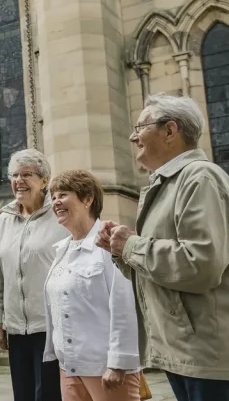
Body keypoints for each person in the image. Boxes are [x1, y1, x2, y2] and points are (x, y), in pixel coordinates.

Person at [98, 93, 229, 401]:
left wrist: (131, 245)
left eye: (141, 126)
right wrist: (120, 251)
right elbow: (165, 267)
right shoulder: (171, 183)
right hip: (187, 353)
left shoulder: (201, 178)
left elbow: (200, 265)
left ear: (170, 131)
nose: (133, 136)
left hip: (209, 358)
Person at [44, 170, 141, 401]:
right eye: (53, 196)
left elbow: (125, 307)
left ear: (88, 199)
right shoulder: (61, 251)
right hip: (69, 367)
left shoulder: (110, 243)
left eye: (64, 195)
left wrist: (118, 363)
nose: (56, 202)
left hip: (105, 368)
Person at [0, 149, 66, 401]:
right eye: (14, 175)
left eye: (27, 174)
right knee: (23, 395)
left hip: (51, 326)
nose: (19, 180)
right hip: (17, 329)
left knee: (48, 394)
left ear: (44, 180)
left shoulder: (60, 216)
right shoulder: (3, 220)